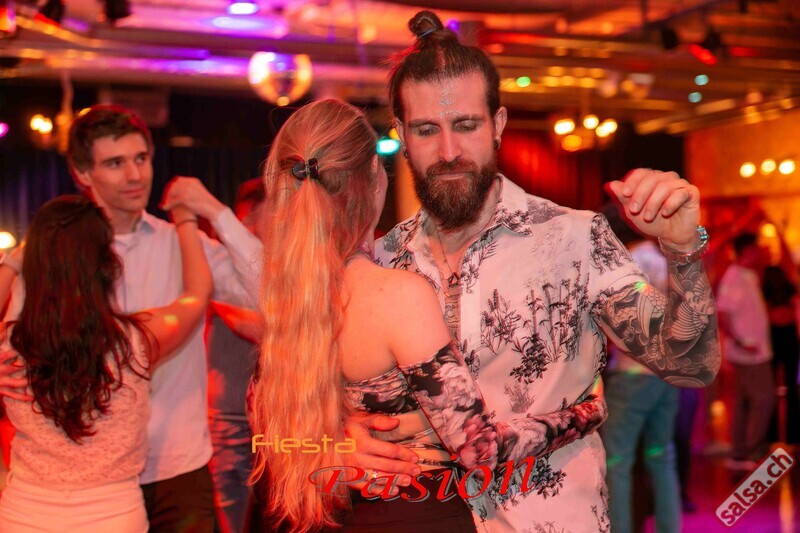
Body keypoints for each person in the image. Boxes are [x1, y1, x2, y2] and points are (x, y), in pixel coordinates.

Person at [344, 10, 721, 532]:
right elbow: (302, 395)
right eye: (427, 130)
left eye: (467, 125)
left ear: (497, 125)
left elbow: (692, 366)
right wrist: (335, 435)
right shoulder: (381, 262)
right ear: (402, 135)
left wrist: (682, 250)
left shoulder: (575, 240)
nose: (449, 151)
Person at [247, 98, 608, 533]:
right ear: (374, 175)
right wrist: (584, 413)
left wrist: (327, 445)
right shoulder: (396, 294)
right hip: (414, 512)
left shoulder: (285, 299)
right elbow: (478, 450)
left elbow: (266, 427)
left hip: (323, 513)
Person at [0, 104, 262, 532]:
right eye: (115, 163)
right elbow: (21, 346)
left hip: (177, 466)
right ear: (82, 173)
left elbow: (274, 297)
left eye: (141, 158)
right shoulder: (51, 264)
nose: (135, 175)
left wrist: (216, 213)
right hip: (83, 480)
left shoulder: (184, 243)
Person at [0, 195, 211, 531]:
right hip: (113, 517)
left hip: (23, 516)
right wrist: (186, 220)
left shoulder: (13, 345)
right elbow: (197, 294)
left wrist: (14, 262)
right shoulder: (136, 342)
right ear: (107, 266)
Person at [600, 204, 681, 533]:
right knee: (662, 458)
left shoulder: (630, 261)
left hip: (633, 375)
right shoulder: (665, 260)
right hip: (668, 374)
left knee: (617, 461)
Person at [207, 178, 265, 533]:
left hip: (271, 424)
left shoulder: (279, 268)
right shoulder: (220, 265)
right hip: (231, 420)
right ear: (246, 217)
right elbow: (261, 327)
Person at [717, 233, 774, 469]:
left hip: (755, 350)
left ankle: (739, 454)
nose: (760, 252)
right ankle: (751, 451)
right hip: (748, 352)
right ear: (747, 251)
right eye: (756, 248)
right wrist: (740, 342)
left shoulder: (749, 275)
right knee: (764, 398)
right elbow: (723, 313)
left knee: (743, 401)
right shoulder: (733, 277)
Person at [762, 265, 800, 444]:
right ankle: (789, 435)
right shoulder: (772, 290)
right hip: (782, 336)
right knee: (784, 387)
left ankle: (777, 435)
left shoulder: (771, 290)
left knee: (777, 387)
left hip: (781, 336)